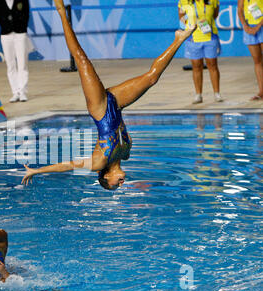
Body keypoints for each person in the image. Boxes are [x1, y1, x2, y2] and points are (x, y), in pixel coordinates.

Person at [21, 0, 196, 190]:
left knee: (81, 59)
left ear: (105, 176)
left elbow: (68, 165)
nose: (121, 184)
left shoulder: (98, 163)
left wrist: (37, 171)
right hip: (117, 103)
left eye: (114, 185)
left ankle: (61, 10)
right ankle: (179, 38)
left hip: (100, 108)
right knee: (152, 78)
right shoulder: (126, 153)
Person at [178, 0, 223, 104]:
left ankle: (217, 93)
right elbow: (181, 17)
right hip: (193, 39)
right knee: (196, 66)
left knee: (212, 65)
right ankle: (198, 95)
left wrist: (204, 22)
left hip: (210, 37)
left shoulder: (213, 1)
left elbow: (215, 15)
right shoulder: (183, 1)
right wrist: (191, 25)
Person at [0, 0, 30, 102]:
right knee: (10, 65)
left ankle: (22, 91)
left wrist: (21, 27)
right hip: (6, 34)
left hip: (20, 33)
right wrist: (6, 26)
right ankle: (15, 92)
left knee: (22, 63)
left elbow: (26, 13)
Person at [238, 0, 263, 100]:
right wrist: (245, 26)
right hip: (249, 28)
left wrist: (258, 26)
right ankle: (261, 92)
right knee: (257, 61)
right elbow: (239, 10)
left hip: (261, 26)